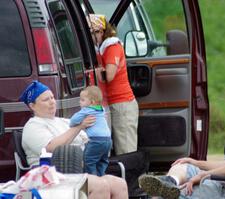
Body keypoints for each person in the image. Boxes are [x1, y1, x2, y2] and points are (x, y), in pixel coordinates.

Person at [20, 80, 128, 199]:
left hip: (79, 170)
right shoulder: (33, 126)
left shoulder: (64, 121)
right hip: (50, 176)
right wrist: (79, 127)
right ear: (32, 106)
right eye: (46, 100)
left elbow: (88, 140)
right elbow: (52, 148)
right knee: (99, 186)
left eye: (52, 98)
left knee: (119, 185)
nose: (52, 102)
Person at [88, 14, 139, 155]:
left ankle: (130, 177)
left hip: (122, 104)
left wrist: (95, 72)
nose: (93, 36)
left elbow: (108, 76)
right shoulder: (100, 49)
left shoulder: (112, 46)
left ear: (104, 32)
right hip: (111, 103)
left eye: (96, 32)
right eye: (90, 33)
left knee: (126, 151)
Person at [69, 86, 112, 176]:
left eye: (82, 100)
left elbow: (72, 121)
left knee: (88, 160)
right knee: (102, 161)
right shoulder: (101, 109)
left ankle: (93, 179)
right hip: (108, 140)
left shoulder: (86, 110)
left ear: (91, 102)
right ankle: (101, 177)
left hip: (96, 140)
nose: (79, 102)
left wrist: (79, 122)